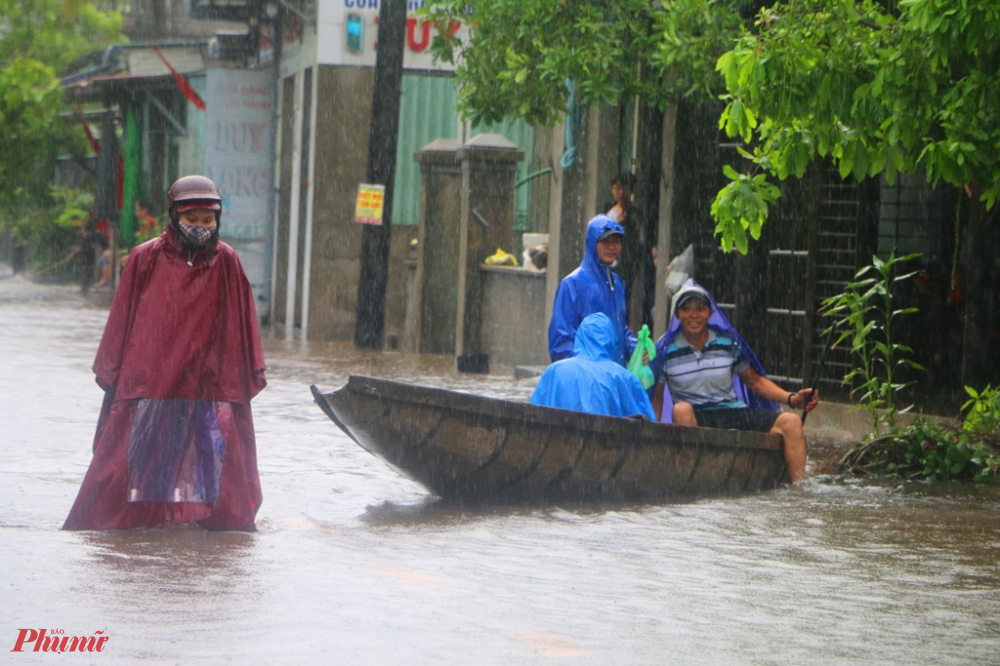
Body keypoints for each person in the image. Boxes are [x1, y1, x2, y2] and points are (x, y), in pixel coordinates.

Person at [63, 175, 267, 531]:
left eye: (208, 220)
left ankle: (217, 525)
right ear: (174, 216)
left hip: (210, 378)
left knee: (217, 455)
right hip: (151, 377)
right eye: (192, 219)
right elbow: (122, 318)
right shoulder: (145, 258)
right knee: (134, 458)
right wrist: (115, 371)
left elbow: (242, 320)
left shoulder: (228, 261)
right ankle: (139, 524)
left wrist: (239, 371)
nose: (201, 227)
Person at [653, 281, 818, 483]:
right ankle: (694, 481)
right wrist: (653, 434)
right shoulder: (664, 351)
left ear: (709, 312)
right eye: (686, 309)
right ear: (677, 315)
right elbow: (657, 397)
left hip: (733, 412)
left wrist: (792, 399)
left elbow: (755, 382)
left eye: (700, 308)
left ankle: (799, 490)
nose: (694, 315)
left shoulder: (726, 343)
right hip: (697, 417)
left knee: (791, 422)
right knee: (681, 410)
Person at [548, 214, 638, 366]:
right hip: (586, 382)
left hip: (613, 378)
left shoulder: (617, 283)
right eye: (605, 241)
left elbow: (619, 330)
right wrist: (585, 374)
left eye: (616, 241)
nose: (612, 246)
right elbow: (561, 343)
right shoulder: (571, 284)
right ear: (591, 242)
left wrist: (636, 348)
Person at [532, 313, 655, 419]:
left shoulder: (555, 371)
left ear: (579, 337)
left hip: (558, 442)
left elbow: (533, 414)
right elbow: (647, 424)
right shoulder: (626, 379)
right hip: (609, 444)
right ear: (612, 341)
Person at [601, 171, 657, 329]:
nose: (620, 192)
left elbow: (639, 240)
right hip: (606, 263)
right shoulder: (607, 210)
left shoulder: (635, 215)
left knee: (621, 299)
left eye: (624, 188)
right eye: (617, 188)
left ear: (631, 191)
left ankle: (619, 332)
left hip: (625, 265)